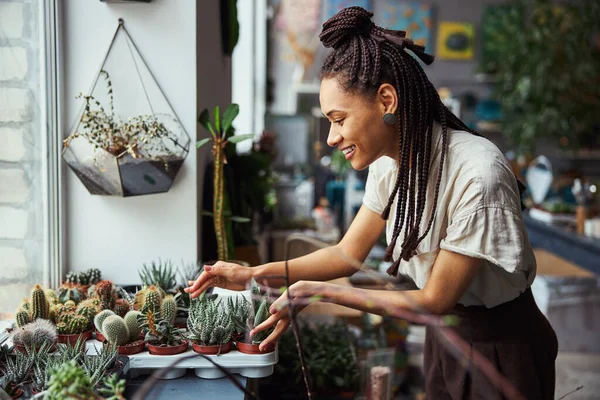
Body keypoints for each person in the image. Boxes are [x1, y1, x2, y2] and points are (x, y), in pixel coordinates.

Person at [186, 7, 558, 399]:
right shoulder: (390, 165)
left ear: (386, 100)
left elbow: (435, 299)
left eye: (339, 119)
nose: (331, 137)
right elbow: (347, 255)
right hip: (445, 339)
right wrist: (252, 274)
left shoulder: (478, 173)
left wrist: (320, 292)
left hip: (502, 348)